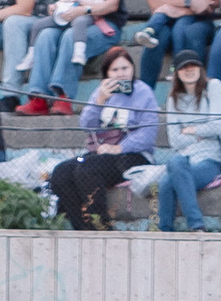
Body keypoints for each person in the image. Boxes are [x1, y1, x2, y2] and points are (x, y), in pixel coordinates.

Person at [48, 49, 157, 229]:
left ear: (133, 68)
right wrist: (99, 101)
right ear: (107, 73)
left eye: (125, 68)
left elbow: (148, 134)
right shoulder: (101, 92)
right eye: (114, 70)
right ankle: (83, 227)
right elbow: (86, 125)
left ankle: (102, 226)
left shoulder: (143, 92)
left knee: (87, 169)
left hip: (133, 155)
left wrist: (119, 148)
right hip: (101, 153)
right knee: (61, 173)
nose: (121, 73)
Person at [25, 0, 126, 109]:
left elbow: (111, 5)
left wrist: (83, 10)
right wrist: (55, 7)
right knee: (47, 34)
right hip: (72, 20)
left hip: (104, 25)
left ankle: (63, 96)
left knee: (70, 36)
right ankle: (38, 97)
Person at [154, 55, 221, 232]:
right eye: (183, 67)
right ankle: (178, 229)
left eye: (193, 65)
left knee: (167, 182)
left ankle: (188, 226)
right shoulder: (173, 99)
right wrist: (202, 131)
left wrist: (190, 130)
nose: (189, 70)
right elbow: (174, 140)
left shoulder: (213, 86)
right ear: (176, 73)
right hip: (184, 159)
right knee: (175, 163)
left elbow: (219, 125)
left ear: (201, 68)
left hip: (210, 159)